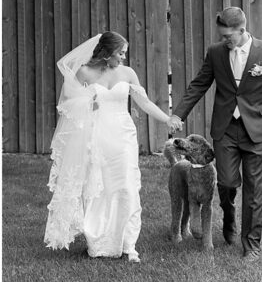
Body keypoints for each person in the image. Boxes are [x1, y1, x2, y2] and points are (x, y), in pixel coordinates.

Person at [169, 7, 262, 261]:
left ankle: (251, 245)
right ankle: (229, 213)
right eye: (222, 36)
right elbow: (200, 84)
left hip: (257, 130)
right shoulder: (215, 53)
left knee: (255, 188)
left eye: (229, 37)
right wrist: (178, 114)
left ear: (242, 30)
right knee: (225, 183)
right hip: (225, 129)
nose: (225, 41)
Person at [44, 32, 175, 263]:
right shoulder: (84, 72)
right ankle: (98, 243)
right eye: (120, 53)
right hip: (96, 136)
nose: (123, 58)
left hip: (123, 136)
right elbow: (67, 104)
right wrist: (87, 104)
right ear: (106, 53)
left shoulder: (128, 73)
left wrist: (167, 119)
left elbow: (143, 102)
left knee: (126, 185)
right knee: (98, 189)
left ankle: (128, 244)